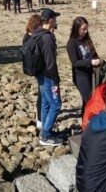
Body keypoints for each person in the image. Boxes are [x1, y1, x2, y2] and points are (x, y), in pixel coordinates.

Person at [33, 8, 64, 146]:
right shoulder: (47, 37)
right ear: (50, 20)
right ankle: (46, 135)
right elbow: (51, 63)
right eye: (55, 18)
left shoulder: (36, 34)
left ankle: (46, 131)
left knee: (45, 103)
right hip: (47, 76)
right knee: (56, 105)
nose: (56, 20)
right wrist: (56, 81)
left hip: (40, 75)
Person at [68, 16, 105, 108]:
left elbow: (94, 53)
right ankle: (90, 121)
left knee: (87, 102)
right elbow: (75, 63)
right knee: (90, 101)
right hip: (81, 76)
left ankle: (85, 121)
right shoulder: (72, 43)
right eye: (83, 29)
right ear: (76, 29)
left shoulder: (87, 40)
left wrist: (97, 60)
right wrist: (90, 62)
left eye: (86, 29)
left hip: (92, 74)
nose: (85, 31)